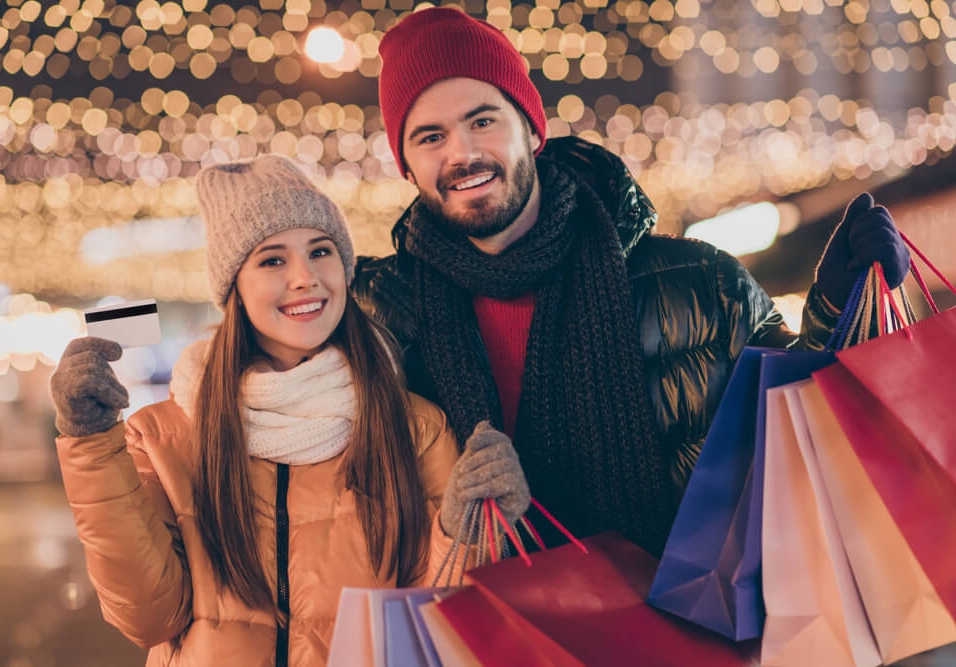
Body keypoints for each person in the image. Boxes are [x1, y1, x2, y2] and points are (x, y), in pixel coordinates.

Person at [352, 7, 911, 555]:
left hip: (680, 633)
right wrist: (446, 529)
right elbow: (331, 520)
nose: (463, 153)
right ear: (406, 163)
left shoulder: (702, 286)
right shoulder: (376, 317)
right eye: (430, 137)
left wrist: (841, 315)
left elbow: (807, 441)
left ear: (529, 125)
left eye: (482, 120)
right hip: (483, 641)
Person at [49, 155, 529, 667]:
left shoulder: (414, 427)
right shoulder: (167, 435)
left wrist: (466, 530)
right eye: (272, 259)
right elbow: (149, 618)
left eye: (320, 251)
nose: (304, 278)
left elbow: (436, 622)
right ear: (234, 286)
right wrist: (92, 444)